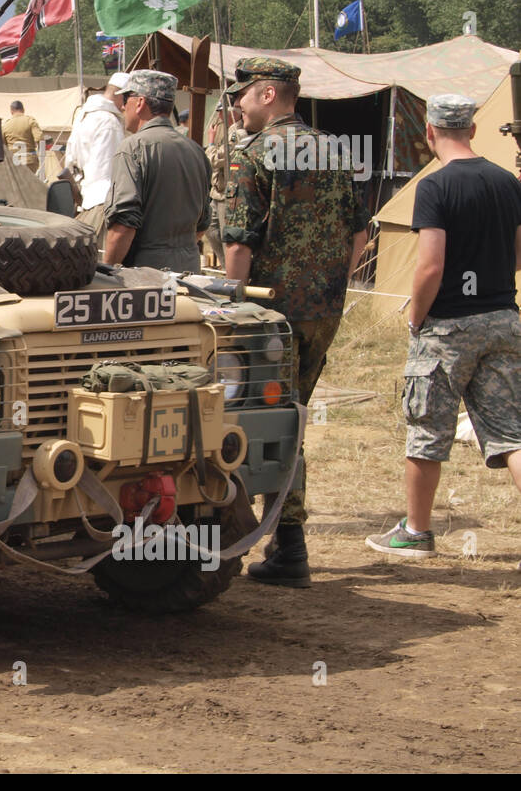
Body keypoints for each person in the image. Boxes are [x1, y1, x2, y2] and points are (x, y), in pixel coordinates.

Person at [222, 57, 369, 586]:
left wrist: (230, 311)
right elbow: (359, 235)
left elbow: (239, 242)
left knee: (249, 423)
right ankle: (289, 543)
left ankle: (269, 541)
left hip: (267, 315)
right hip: (323, 310)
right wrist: (329, 283)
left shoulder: (256, 155)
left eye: (242, 95)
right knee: (294, 419)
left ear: (267, 94)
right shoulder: (336, 150)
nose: (236, 105)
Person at [366, 94, 521, 557]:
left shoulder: (434, 187)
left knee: (426, 430)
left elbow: (430, 266)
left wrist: (416, 317)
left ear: (429, 132)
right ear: (473, 130)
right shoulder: (508, 183)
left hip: (448, 326)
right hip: (503, 317)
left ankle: (416, 532)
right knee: (512, 434)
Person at [101, 69, 210, 272]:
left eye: (126, 98)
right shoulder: (195, 150)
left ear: (140, 102)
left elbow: (124, 224)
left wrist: (106, 271)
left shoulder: (133, 148)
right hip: (189, 272)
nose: (123, 107)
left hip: (146, 277)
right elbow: (202, 224)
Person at [65, 71, 128, 232]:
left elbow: (70, 159)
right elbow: (106, 173)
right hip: (101, 205)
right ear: (122, 96)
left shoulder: (85, 115)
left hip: (86, 199)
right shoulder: (109, 122)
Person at [204, 99, 246, 268]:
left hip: (226, 192)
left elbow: (214, 160)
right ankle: (225, 265)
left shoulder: (237, 133)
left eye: (222, 111)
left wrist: (212, 142)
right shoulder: (228, 131)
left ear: (232, 113)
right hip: (217, 191)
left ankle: (229, 270)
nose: (219, 116)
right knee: (210, 229)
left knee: (224, 235)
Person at [2, 100, 43, 166]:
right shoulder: (30, 121)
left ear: (11, 111)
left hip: (13, 161)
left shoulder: (5, 125)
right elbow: (40, 139)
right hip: (29, 160)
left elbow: (3, 144)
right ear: (23, 110)